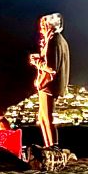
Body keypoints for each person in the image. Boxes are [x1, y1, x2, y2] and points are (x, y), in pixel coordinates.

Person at [29, 13, 70, 148]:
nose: (40, 28)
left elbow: (52, 68)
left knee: (47, 118)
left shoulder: (54, 41)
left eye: (43, 24)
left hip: (48, 85)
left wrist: (36, 62)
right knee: (43, 118)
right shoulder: (59, 40)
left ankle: (52, 147)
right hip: (49, 85)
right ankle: (49, 146)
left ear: (49, 25)